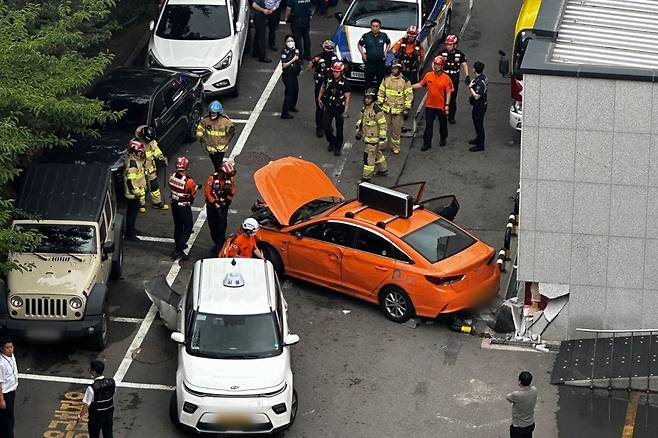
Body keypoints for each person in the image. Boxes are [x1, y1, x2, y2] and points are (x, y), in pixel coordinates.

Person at [412, 55, 454, 151]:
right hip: (430, 105)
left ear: (442, 66)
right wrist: (409, 86)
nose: (436, 66)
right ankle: (427, 143)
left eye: (438, 65)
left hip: (441, 106)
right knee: (428, 125)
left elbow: (448, 93)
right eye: (435, 64)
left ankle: (443, 138)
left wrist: (447, 105)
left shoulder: (447, 78)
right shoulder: (428, 75)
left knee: (443, 124)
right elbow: (420, 84)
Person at [377, 60, 412, 154]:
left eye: (395, 68)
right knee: (383, 130)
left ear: (399, 69)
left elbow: (409, 96)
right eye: (392, 68)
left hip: (398, 111)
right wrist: (379, 103)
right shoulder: (386, 79)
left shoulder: (405, 81)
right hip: (386, 109)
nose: (393, 70)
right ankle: (382, 146)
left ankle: (395, 147)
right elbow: (381, 92)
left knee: (396, 131)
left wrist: (407, 108)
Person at [169, 156, 200, 260]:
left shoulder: (172, 176)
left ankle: (178, 244)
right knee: (188, 227)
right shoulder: (188, 181)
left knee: (178, 225)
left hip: (174, 203)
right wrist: (196, 187)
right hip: (183, 205)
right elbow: (192, 191)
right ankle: (178, 249)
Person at [318, 62, 351, 156]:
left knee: (339, 129)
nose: (335, 73)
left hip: (339, 108)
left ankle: (337, 147)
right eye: (334, 71)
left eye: (337, 72)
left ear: (341, 72)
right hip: (329, 106)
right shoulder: (328, 78)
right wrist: (319, 97)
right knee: (326, 126)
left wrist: (345, 111)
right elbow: (323, 87)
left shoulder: (345, 83)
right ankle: (332, 141)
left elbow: (347, 97)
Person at [134, 125, 169, 212]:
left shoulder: (151, 141)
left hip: (150, 168)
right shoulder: (136, 143)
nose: (149, 142)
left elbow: (156, 150)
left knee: (155, 186)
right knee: (141, 188)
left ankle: (157, 203)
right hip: (140, 170)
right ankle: (140, 205)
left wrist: (161, 157)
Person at [205, 160, 236, 255]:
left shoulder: (230, 179)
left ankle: (220, 245)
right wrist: (214, 202)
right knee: (213, 226)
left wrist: (227, 200)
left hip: (223, 207)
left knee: (222, 226)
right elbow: (207, 192)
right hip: (212, 207)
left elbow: (233, 189)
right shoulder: (212, 179)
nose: (229, 177)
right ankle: (217, 242)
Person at [356, 88, 388, 181]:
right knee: (377, 154)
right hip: (368, 138)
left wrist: (382, 138)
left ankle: (366, 177)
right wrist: (358, 131)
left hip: (373, 140)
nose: (367, 100)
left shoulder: (377, 110)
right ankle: (383, 170)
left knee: (368, 158)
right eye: (366, 98)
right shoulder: (365, 108)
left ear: (373, 99)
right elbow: (361, 121)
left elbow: (383, 125)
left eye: (369, 98)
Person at [79, 360, 115, 438]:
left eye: (90, 369)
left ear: (94, 372)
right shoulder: (112, 382)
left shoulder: (91, 388)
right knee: (108, 435)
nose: (89, 371)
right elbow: (111, 394)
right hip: (108, 415)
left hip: (96, 418)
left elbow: (86, 405)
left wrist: (80, 416)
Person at [196, 101, 235, 172]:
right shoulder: (206, 120)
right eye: (211, 112)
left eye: (214, 113)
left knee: (218, 164)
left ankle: (218, 174)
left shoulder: (225, 121)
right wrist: (200, 134)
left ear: (219, 113)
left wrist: (231, 129)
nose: (212, 114)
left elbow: (230, 129)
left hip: (221, 148)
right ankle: (218, 172)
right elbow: (200, 127)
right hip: (210, 148)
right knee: (215, 163)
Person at [310, 40, 338, 138]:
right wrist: (313, 61)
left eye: (330, 48)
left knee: (330, 108)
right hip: (320, 85)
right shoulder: (318, 57)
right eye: (327, 48)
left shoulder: (335, 58)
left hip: (330, 86)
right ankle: (319, 127)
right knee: (320, 107)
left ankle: (328, 125)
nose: (328, 50)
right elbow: (308, 67)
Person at [439, 34, 469, 124]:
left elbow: (464, 64)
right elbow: (435, 62)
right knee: (442, 97)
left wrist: (467, 75)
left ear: (455, 45)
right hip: (443, 78)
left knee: (452, 99)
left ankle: (451, 116)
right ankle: (442, 113)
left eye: (450, 44)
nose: (448, 46)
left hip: (453, 79)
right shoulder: (442, 53)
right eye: (447, 44)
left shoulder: (459, 54)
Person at [123, 140, 147, 242]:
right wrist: (138, 193)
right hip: (133, 195)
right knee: (131, 215)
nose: (141, 153)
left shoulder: (134, 160)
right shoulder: (133, 164)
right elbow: (130, 182)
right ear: (133, 152)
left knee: (133, 214)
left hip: (135, 193)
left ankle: (131, 229)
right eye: (139, 151)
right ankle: (129, 234)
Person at [358, 19, 390, 89]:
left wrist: (385, 52)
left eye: (377, 26)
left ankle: (380, 98)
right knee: (368, 82)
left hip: (380, 64)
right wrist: (363, 54)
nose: (375, 28)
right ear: (371, 27)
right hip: (369, 64)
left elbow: (388, 43)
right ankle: (367, 97)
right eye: (373, 26)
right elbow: (359, 44)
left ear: (379, 27)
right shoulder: (366, 36)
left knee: (381, 82)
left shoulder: (383, 35)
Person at [506, 371, 537, 438]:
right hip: (530, 424)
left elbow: (508, 397)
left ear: (520, 382)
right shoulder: (534, 390)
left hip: (518, 427)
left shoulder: (516, 394)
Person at [468, 61, 488, 152]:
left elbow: (477, 96)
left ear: (475, 70)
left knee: (479, 124)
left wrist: (470, 88)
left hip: (479, 106)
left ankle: (480, 145)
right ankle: (478, 139)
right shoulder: (482, 77)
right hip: (479, 105)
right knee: (476, 123)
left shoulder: (480, 82)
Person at [280, 34, 302, 119]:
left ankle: (292, 106)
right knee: (289, 92)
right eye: (288, 41)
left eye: (292, 41)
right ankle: (285, 112)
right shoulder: (284, 52)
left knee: (296, 89)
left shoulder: (296, 50)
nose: (290, 43)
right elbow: (284, 65)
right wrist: (293, 60)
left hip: (294, 74)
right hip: (287, 74)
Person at [0, 338, 18, 438]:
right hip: (5, 394)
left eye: (11, 347)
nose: (10, 349)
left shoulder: (11, 356)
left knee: (10, 418)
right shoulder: (1, 363)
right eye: (7, 348)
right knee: (7, 421)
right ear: (2, 349)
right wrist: (1, 400)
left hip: (12, 392)